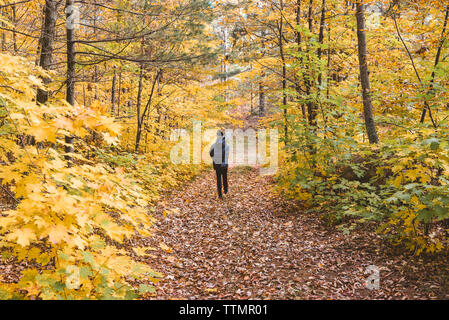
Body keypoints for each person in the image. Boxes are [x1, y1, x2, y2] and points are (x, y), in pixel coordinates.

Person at [209, 130, 230, 199]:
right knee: (224, 177)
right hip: (224, 164)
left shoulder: (214, 145)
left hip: (217, 164)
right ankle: (226, 190)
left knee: (218, 179)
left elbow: (211, 154)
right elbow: (227, 155)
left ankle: (220, 194)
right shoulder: (226, 145)